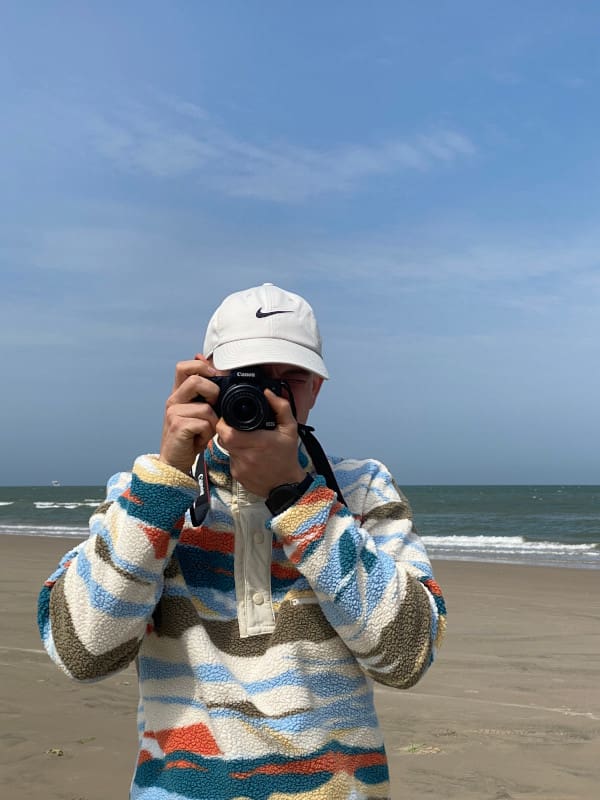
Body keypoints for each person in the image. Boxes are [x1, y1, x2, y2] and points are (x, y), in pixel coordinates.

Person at [38, 283, 446, 800]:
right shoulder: (145, 495)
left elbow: (407, 657)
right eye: (247, 380)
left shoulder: (360, 490)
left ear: (316, 386)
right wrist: (165, 480)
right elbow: (82, 653)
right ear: (202, 376)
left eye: (289, 378)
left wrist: (298, 498)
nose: (268, 397)